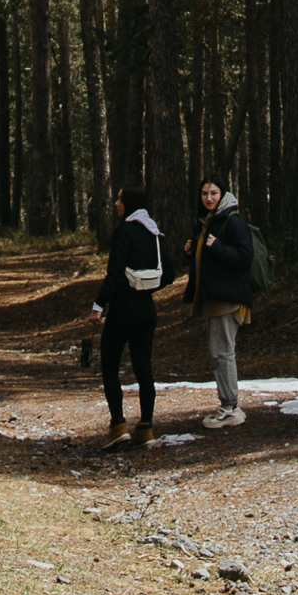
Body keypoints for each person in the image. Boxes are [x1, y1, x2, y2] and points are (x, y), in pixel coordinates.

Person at [89, 184, 172, 442]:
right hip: (147, 310)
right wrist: (145, 284)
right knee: (143, 369)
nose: (116, 203)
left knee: (110, 366)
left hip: (122, 310)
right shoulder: (155, 233)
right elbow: (168, 274)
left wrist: (98, 307)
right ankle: (146, 427)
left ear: (131, 203)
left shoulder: (123, 233)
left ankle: (118, 426)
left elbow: (113, 275)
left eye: (120, 199)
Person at [187, 176, 255, 429]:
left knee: (223, 352)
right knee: (218, 352)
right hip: (214, 298)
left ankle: (231, 407)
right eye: (204, 193)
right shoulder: (207, 222)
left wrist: (217, 247)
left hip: (229, 299)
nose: (208, 198)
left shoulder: (232, 221)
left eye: (213, 193)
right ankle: (227, 405)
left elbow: (245, 256)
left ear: (223, 194)